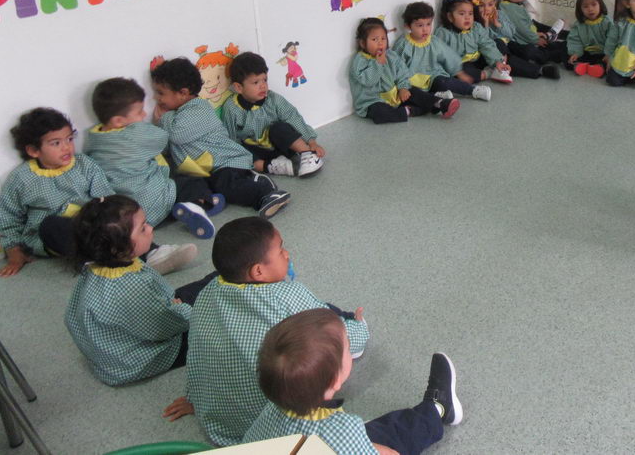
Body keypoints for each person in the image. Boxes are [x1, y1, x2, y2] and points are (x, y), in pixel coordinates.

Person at [162, 217, 369, 446]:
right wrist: (359, 328)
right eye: (281, 250)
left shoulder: (207, 292)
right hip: (273, 423)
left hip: (219, 423)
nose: (287, 254)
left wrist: (196, 400)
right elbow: (333, 338)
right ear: (258, 271)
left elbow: (197, 354)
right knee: (333, 317)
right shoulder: (289, 296)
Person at [243, 309, 462, 454]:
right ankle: (438, 408)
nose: (349, 347)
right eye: (347, 346)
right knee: (395, 432)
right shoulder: (345, 431)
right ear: (335, 379)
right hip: (342, 442)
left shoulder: (270, 411)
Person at [63, 195, 215, 386]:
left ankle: (218, 279)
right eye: (143, 228)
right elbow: (163, 328)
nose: (150, 228)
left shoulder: (94, 269)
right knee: (215, 316)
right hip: (142, 359)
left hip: (113, 356)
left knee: (196, 291)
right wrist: (181, 310)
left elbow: (72, 318)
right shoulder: (131, 288)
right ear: (116, 248)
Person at [151, 58, 291, 219]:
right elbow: (166, 145)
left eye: (161, 93)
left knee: (227, 185)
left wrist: (163, 118)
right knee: (192, 183)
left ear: (183, 93)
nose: (157, 99)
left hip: (226, 162)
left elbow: (176, 135)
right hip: (206, 170)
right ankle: (207, 202)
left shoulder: (197, 108)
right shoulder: (177, 116)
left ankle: (265, 191)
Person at [85, 77, 224, 239]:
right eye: (139, 112)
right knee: (190, 179)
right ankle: (198, 204)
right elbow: (164, 139)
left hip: (131, 209)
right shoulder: (135, 133)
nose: (144, 114)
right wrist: (161, 120)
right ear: (118, 121)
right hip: (153, 198)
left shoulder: (95, 139)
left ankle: (194, 203)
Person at [0, 107, 116, 276]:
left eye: (69, 139)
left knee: (117, 214)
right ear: (33, 151)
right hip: (54, 233)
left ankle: (148, 251)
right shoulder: (22, 178)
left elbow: (105, 196)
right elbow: (8, 217)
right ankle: (102, 256)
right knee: (52, 225)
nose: (66, 147)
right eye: (56, 143)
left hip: (90, 224)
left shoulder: (84, 164)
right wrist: (14, 250)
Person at [222, 51, 325, 178]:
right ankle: (272, 166)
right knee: (240, 148)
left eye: (264, 80)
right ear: (238, 87)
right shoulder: (231, 108)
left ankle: (307, 154)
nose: (263, 86)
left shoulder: (273, 99)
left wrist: (311, 142)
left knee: (280, 128)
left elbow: (292, 116)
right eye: (256, 83)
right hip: (259, 151)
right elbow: (230, 137)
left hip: (281, 145)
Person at [349, 17, 460, 123]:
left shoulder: (391, 55)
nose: (380, 43)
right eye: (374, 39)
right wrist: (377, 64)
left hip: (394, 94)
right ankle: (409, 111)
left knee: (414, 92)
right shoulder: (360, 61)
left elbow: (402, 72)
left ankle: (440, 103)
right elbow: (368, 81)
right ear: (363, 43)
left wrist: (403, 87)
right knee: (379, 112)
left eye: (383, 38)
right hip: (373, 100)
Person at [394, 0, 492, 102]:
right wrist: (402, 86)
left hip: (433, 76)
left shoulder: (434, 41)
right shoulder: (403, 44)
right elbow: (397, 66)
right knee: (412, 93)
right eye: (420, 25)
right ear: (408, 26)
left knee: (445, 82)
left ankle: (473, 91)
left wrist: (459, 72)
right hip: (412, 80)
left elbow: (448, 56)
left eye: (428, 24)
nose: (425, 29)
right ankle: (437, 96)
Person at [469, 0, 545, 81]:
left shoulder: (499, 14)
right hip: (495, 52)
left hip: (509, 45)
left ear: (495, 3)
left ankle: (547, 56)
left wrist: (497, 24)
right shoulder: (475, 22)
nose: (487, 9)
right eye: (481, 6)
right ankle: (538, 70)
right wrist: (486, 24)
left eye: (490, 4)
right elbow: (486, 42)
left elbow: (511, 32)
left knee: (528, 50)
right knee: (500, 44)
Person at [494, 0, 565, 75]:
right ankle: (554, 54)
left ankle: (561, 46)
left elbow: (527, 24)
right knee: (533, 50)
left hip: (528, 37)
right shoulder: (508, 8)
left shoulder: (514, 4)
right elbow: (521, 28)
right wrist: (535, 39)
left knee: (548, 44)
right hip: (521, 43)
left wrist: (536, 34)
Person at [436, 0, 512, 85]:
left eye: (470, 14)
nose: (467, 18)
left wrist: (497, 62)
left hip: (478, 59)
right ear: (450, 17)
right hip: (462, 65)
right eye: (462, 14)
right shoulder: (444, 33)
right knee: (462, 72)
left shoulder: (476, 27)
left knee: (497, 44)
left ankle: (499, 66)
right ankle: (488, 73)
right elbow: (442, 56)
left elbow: (486, 45)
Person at [566, 0, 610, 77]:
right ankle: (580, 65)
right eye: (585, 6)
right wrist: (576, 53)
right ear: (580, 9)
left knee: (608, 62)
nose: (590, 9)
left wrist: (609, 54)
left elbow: (612, 39)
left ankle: (598, 67)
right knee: (565, 52)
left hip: (602, 54)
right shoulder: (578, 24)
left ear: (600, 4)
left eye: (594, 5)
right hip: (585, 52)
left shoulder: (607, 22)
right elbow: (574, 40)